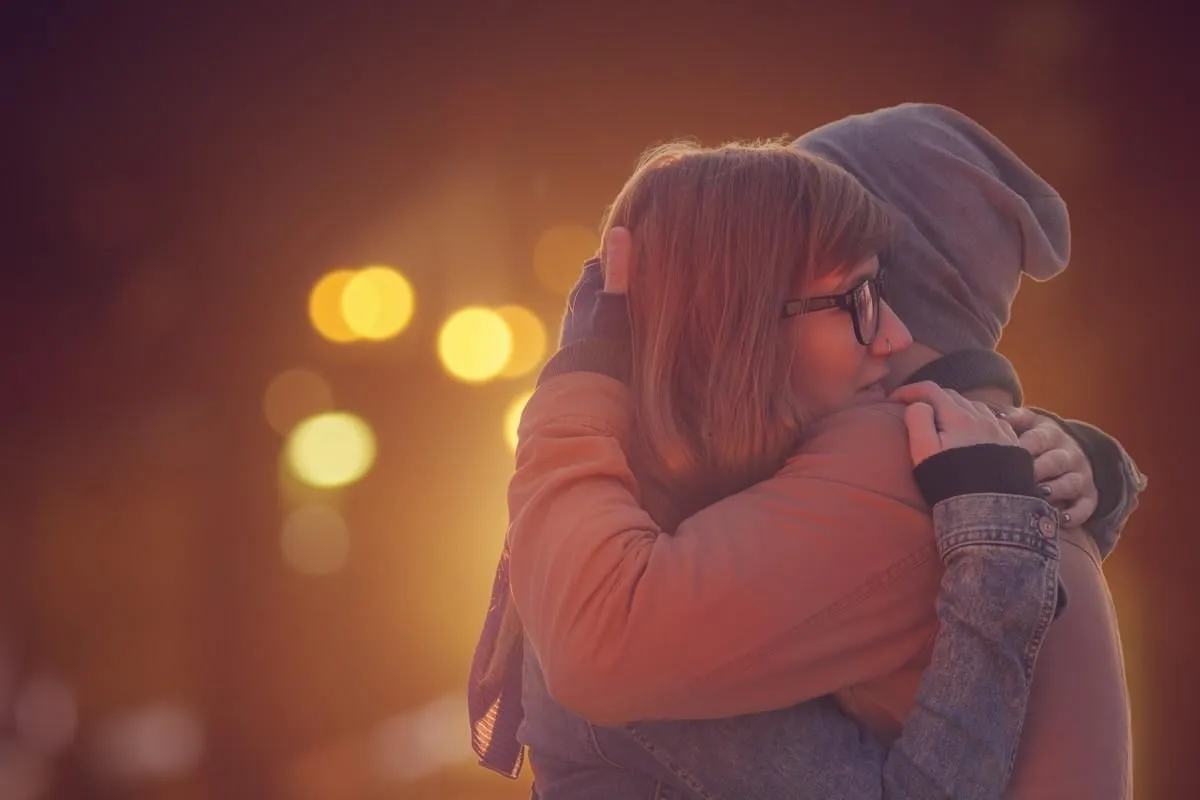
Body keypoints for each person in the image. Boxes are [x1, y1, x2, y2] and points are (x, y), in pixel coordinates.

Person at [471, 108, 1141, 798]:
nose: (885, 330)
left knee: (572, 669)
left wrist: (583, 372)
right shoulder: (959, 445)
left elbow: (594, 645)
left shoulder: (899, 447)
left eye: (870, 288)